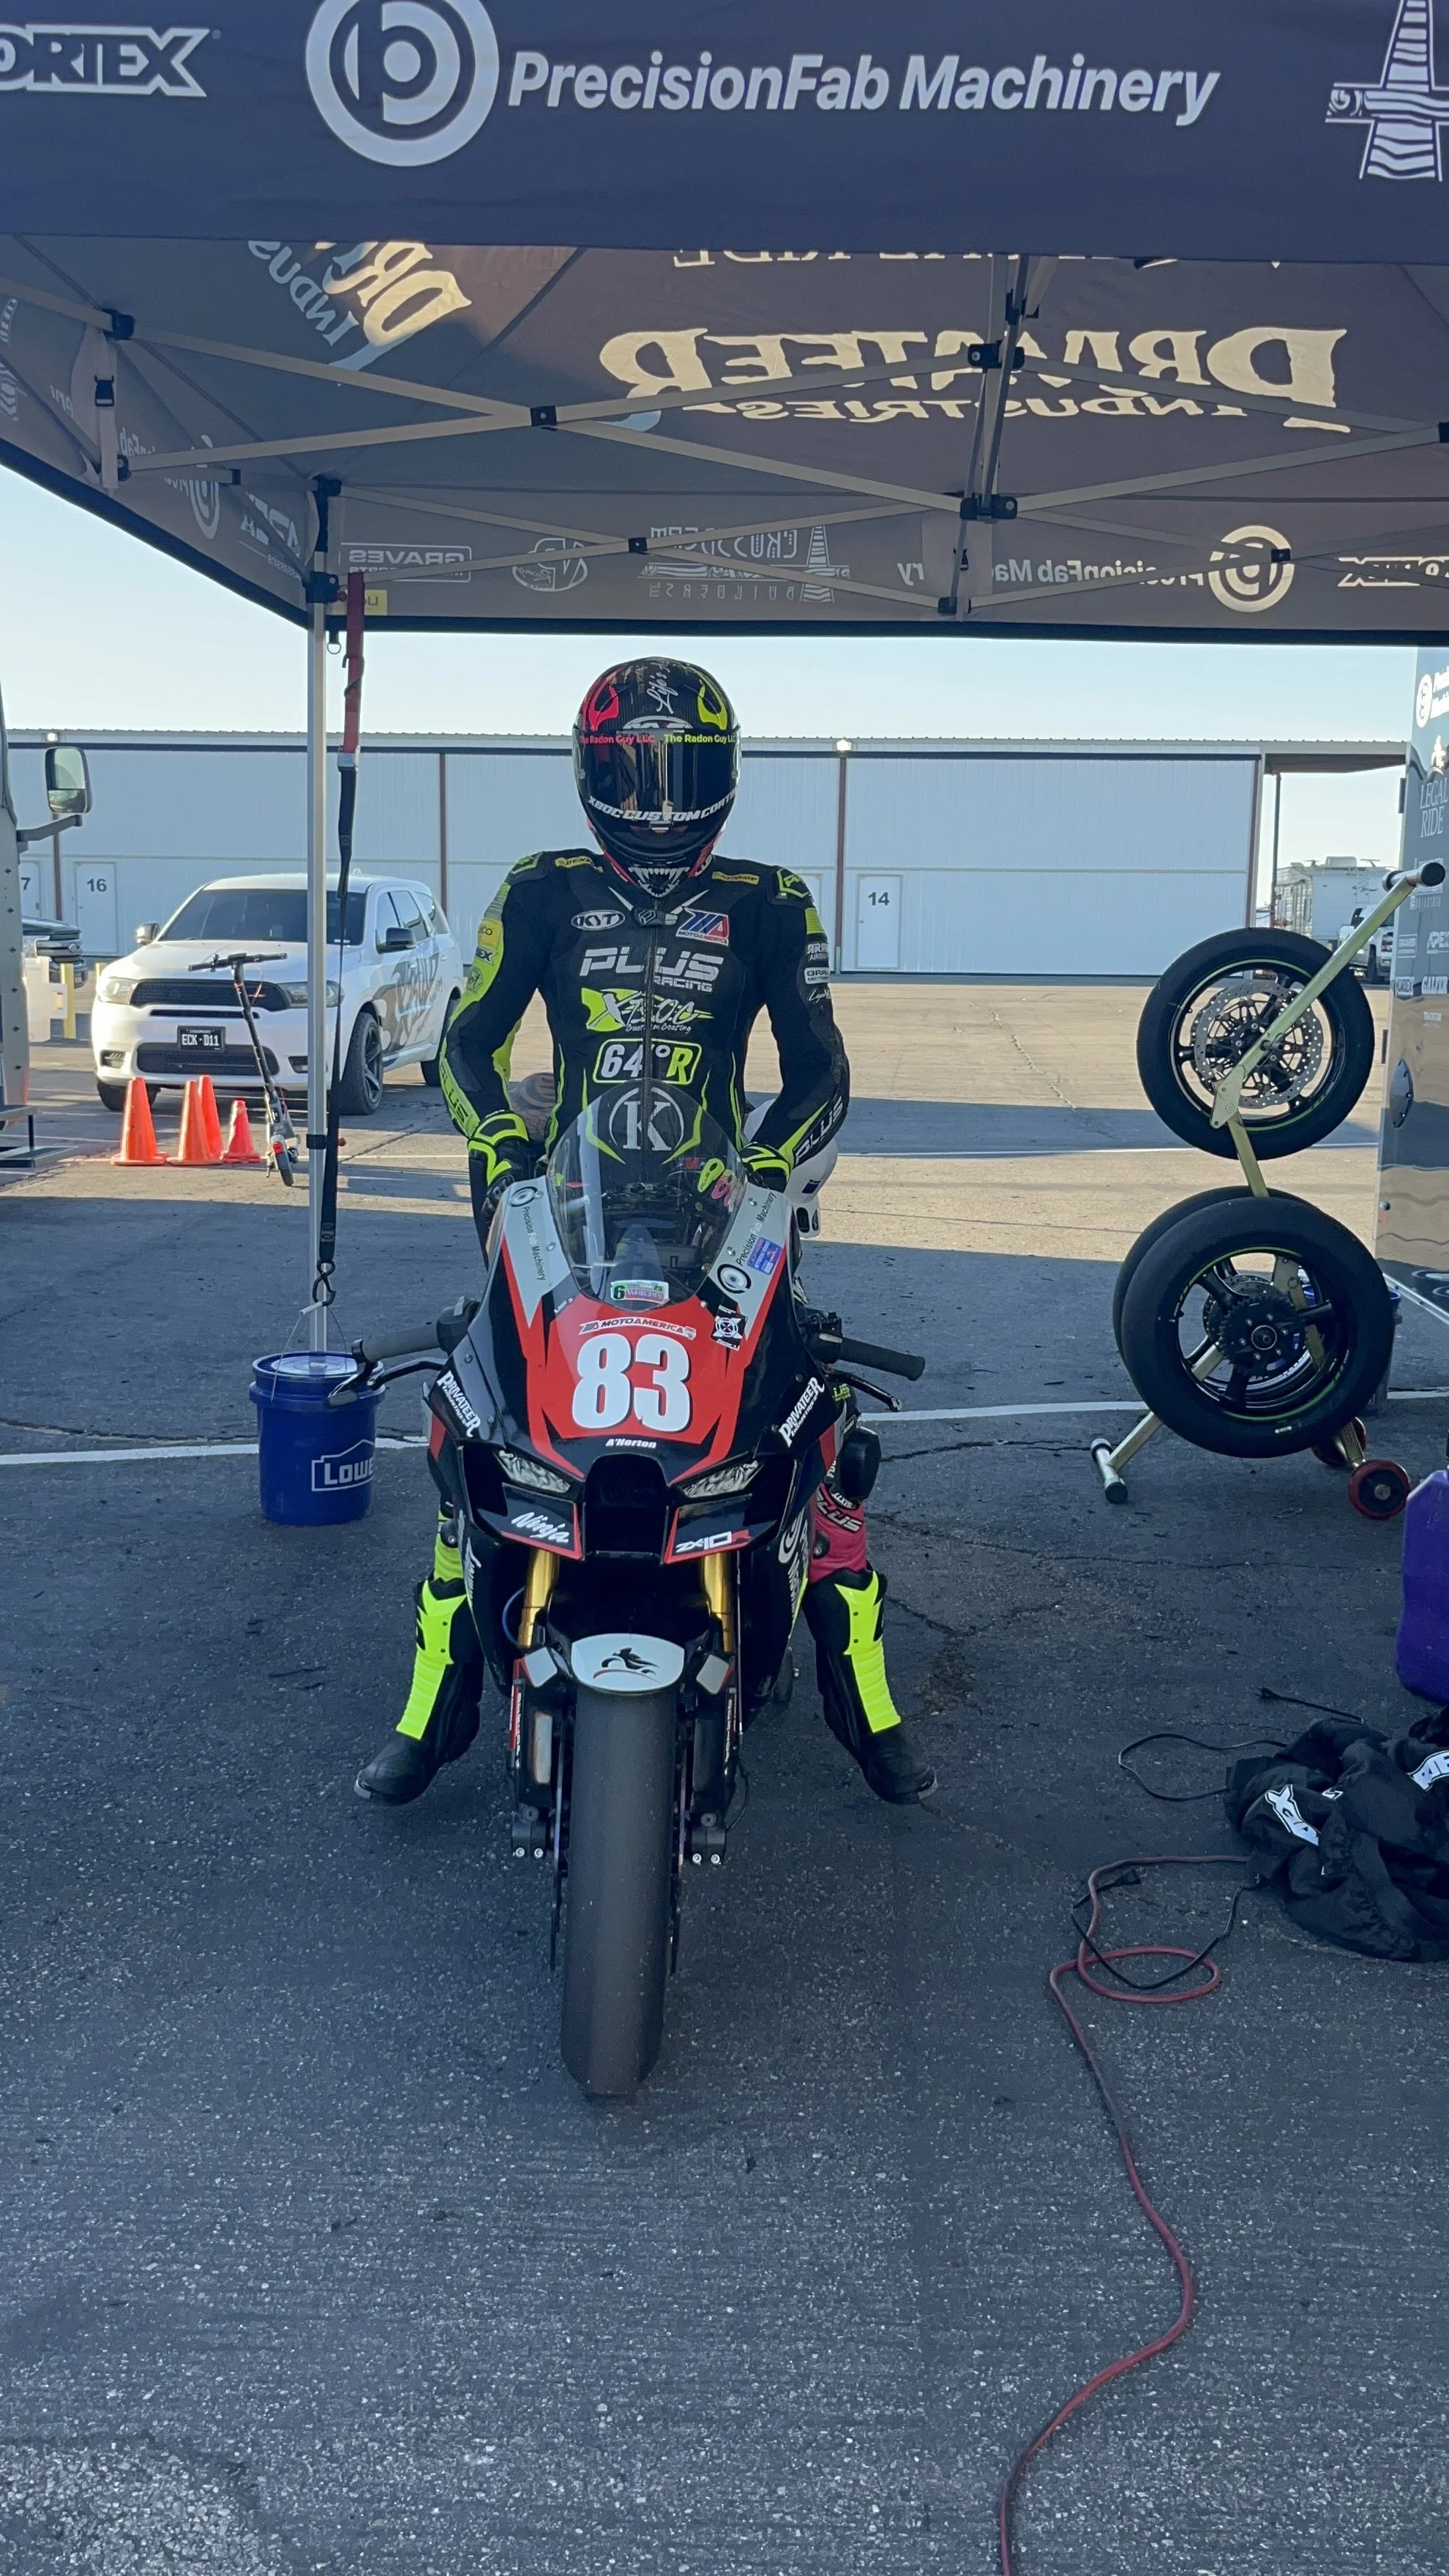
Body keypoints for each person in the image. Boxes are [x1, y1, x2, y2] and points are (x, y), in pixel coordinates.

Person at [355, 659, 935, 1811]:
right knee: (478, 1433)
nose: (664, 806)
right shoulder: (541, 888)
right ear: (591, 772)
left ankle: (862, 1697)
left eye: (689, 776)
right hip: (554, 1207)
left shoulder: (773, 898)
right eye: (638, 774)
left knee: (812, 1441)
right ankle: (437, 1703)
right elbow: (466, 1048)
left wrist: (772, 1166)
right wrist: (507, 1154)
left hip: (731, 1208)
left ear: (726, 777)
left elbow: (821, 1065)